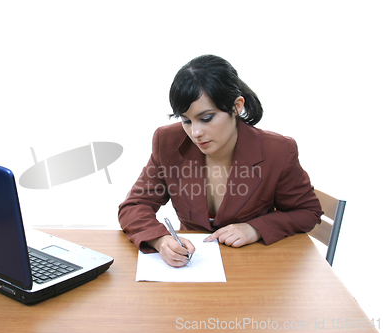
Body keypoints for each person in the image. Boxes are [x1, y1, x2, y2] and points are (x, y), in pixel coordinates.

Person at [118, 55, 323, 267]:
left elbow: (308, 212)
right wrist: (160, 240)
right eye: (186, 120)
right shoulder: (168, 141)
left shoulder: (278, 151)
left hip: (254, 269)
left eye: (206, 118)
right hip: (190, 268)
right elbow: (135, 205)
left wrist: (255, 228)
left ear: (237, 106)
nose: (195, 132)